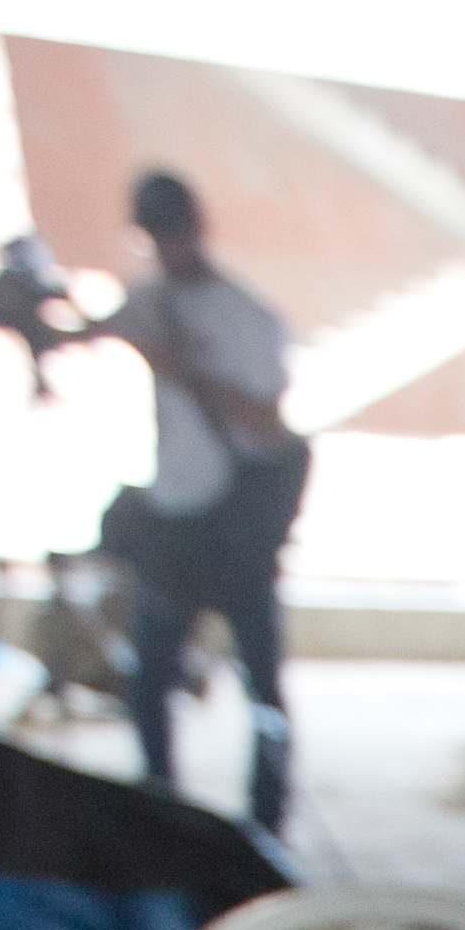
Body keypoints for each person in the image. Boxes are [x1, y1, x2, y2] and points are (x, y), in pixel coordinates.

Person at [96, 168, 301, 836]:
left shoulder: (248, 316)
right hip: (174, 519)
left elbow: (266, 424)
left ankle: (267, 827)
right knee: (150, 677)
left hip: (237, 523)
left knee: (262, 683)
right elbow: (74, 333)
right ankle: (159, 806)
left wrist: (182, 367)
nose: (166, 248)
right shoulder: (146, 303)